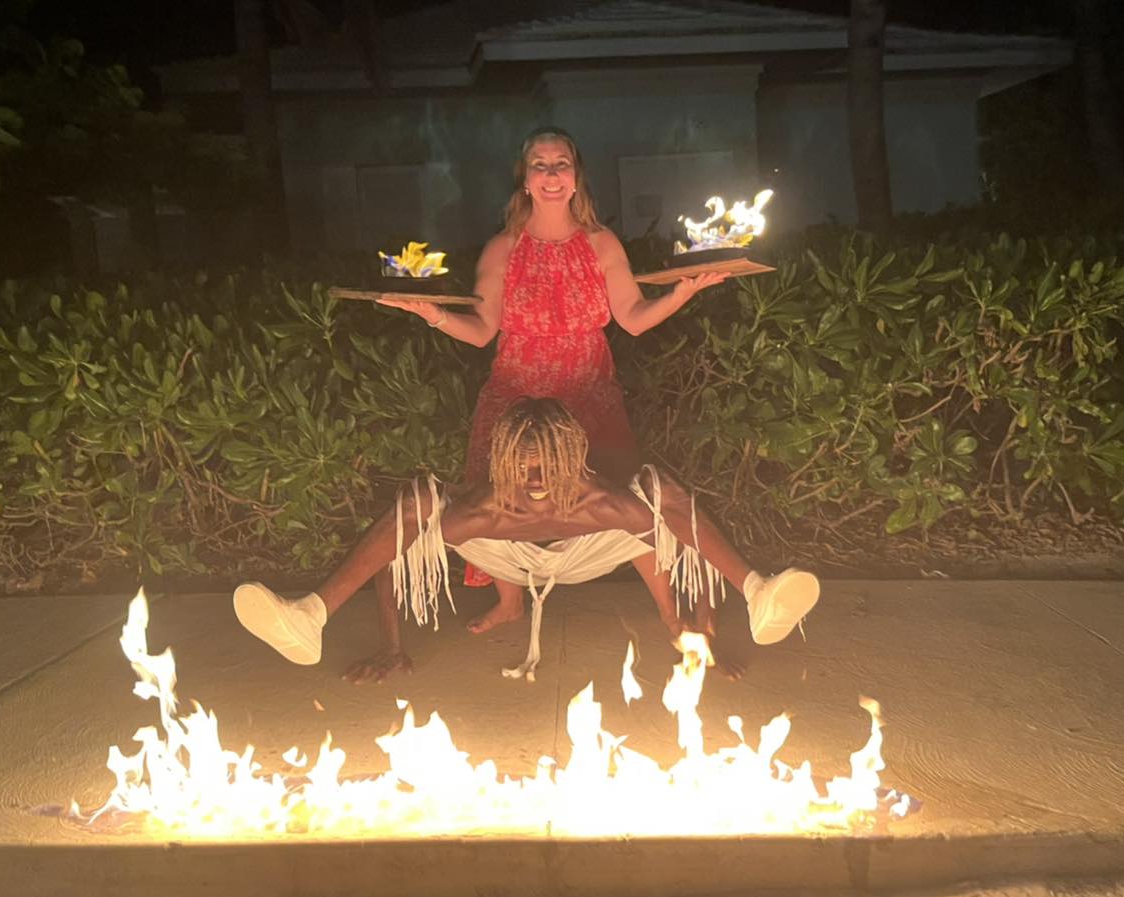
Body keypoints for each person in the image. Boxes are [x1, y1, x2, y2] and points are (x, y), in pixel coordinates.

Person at [378, 126, 729, 634]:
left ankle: (673, 617)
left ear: (575, 176)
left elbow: (631, 317)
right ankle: (510, 601)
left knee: (629, 498)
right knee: (496, 497)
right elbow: (480, 332)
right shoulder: (502, 248)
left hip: (589, 392)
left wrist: (681, 294)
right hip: (517, 393)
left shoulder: (600, 242)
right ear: (524, 180)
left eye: (560, 163)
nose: (550, 174)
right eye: (539, 165)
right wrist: (430, 313)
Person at [234, 398, 819, 684]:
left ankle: (756, 593)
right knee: (414, 505)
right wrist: (391, 644)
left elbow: (689, 548)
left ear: (573, 460)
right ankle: (309, 615)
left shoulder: (607, 503)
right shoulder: (481, 509)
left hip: (592, 545)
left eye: (547, 468)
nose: (535, 481)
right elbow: (392, 555)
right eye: (523, 468)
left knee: (661, 498)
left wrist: (700, 634)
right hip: (500, 547)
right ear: (504, 464)